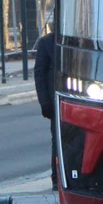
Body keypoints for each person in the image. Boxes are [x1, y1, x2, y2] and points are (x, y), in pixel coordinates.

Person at [33, 28, 58, 188]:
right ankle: (57, 178)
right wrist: (45, 102)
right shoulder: (47, 42)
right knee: (58, 140)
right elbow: (40, 74)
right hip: (56, 102)